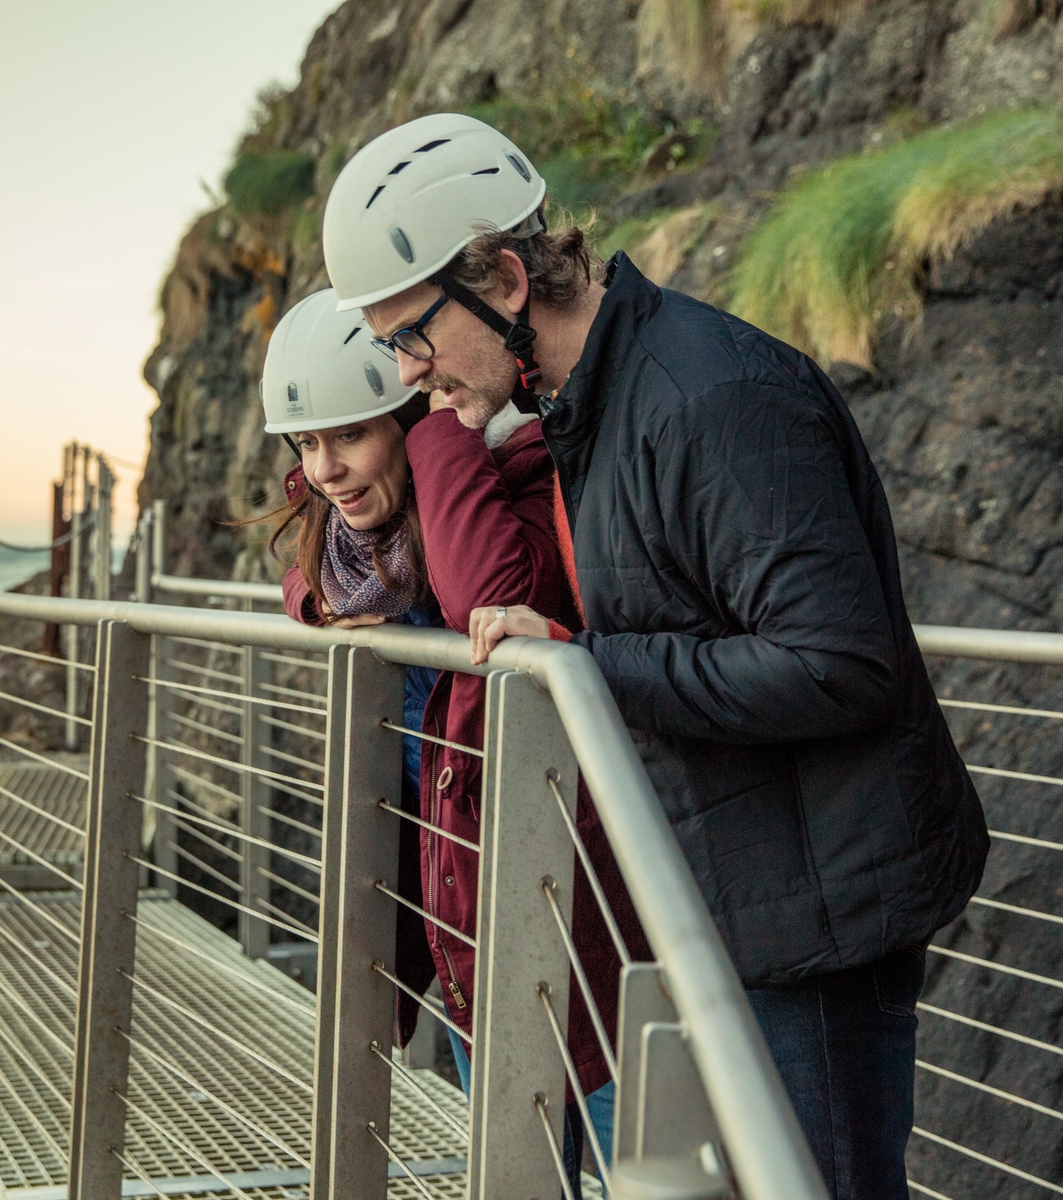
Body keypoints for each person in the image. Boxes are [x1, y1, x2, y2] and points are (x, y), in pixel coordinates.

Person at [322, 112, 990, 1199]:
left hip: (813, 918)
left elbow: (840, 661)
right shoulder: (598, 399)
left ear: (501, 275)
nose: (406, 371)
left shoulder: (711, 396)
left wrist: (591, 661)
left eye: (412, 333)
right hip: (743, 898)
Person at [257, 287, 638, 1181]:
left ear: (414, 408)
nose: (327, 470)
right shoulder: (375, 548)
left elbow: (485, 597)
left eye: (351, 435)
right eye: (308, 444)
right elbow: (309, 572)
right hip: (471, 929)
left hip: (590, 935)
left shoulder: (518, 483)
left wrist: (440, 431)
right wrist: (316, 595)